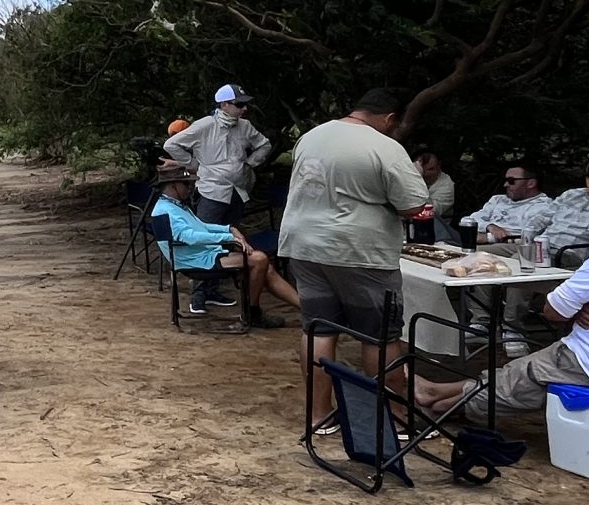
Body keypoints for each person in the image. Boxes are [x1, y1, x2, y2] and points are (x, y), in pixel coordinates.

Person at [416, 193, 589, 421]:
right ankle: (436, 390)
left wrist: (577, 308)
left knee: (521, 380)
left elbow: (552, 311)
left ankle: (437, 408)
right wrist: (584, 306)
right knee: (523, 370)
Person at [277, 87, 431, 429]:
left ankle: (319, 415)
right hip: (359, 252)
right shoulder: (385, 147)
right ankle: (393, 420)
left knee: (318, 329)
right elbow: (413, 205)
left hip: (304, 245)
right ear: (390, 118)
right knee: (380, 335)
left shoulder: (312, 137)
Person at [154, 165, 297, 327]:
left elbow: (201, 226)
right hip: (194, 261)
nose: (190, 188)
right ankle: (252, 312)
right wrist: (227, 238)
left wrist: (229, 229)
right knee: (259, 259)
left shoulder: (175, 205)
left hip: (203, 255)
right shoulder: (165, 211)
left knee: (265, 267)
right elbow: (190, 237)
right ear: (174, 186)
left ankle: (306, 309)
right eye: (186, 184)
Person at [160, 85, 274, 226]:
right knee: (207, 236)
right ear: (224, 105)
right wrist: (192, 163)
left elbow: (264, 145)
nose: (244, 109)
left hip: (238, 191)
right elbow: (171, 144)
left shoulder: (245, 125)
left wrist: (249, 164)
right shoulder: (204, 125)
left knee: (233, 235)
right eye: (239, 104)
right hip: (212, 192)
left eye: (245, 104)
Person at [460, 162, 554, 245]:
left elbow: (527, 235)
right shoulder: (498, 199)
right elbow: (468, 220)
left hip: (509, 246)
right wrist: (490, 227)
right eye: (505, 180)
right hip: (478, 241)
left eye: (511, 181)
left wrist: (488, 238)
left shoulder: (544, 206)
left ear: (531, 183)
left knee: (465, 252)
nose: (505, 185)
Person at [410, 148, 458, 238]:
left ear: (439, 167)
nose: (425, 173)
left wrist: (416, 180)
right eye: (421, 170)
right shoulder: (408, 179)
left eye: (431, 169)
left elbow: (428, 212)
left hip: (436, 232)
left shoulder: (447, 186)